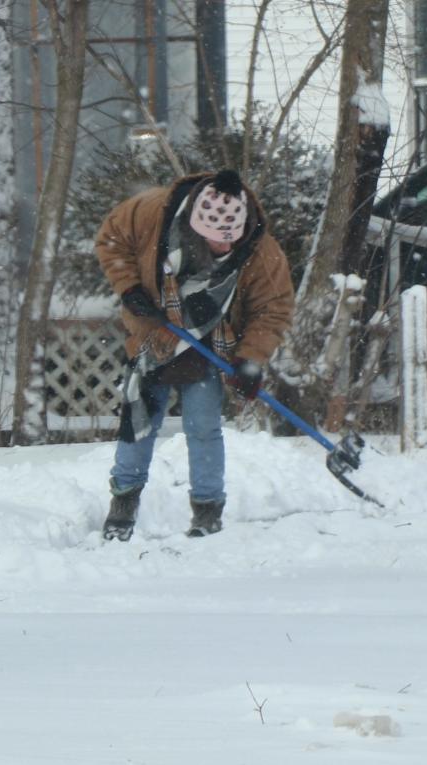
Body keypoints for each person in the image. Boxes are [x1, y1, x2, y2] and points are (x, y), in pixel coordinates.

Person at [95, 169, 294, 540]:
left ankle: (207, 511)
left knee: (203, 427)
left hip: (211, 342)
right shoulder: (154, 212)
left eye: (229, 241)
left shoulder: (260, 248)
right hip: (154, 335)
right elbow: (110, 238)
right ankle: (123, 502)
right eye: (214, 241)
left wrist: (250, 359)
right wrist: (129, 288)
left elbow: (274, 307)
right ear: (193, 224)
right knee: (137, 424)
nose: (222, 248)